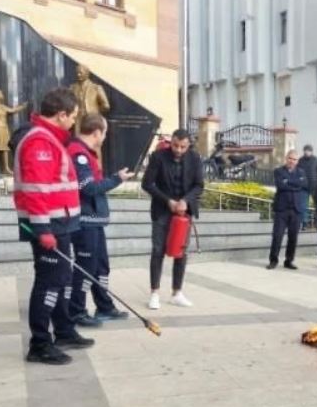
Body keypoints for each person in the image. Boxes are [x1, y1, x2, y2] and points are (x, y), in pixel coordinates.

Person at [15, 87, 92, 365]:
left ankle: (63, 330)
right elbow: (36, 190)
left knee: (60, 278)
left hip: (60, 222)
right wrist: (43, 230)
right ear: (61, 115)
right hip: (50, 225)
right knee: (51, 280)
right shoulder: (40, 142)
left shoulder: (50, 139)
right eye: (72, 116)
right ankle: (39, 343)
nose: (73, 122)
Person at [67, 114, 134, 327]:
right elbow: (87, 188)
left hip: (93, 220)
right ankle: (76, 311)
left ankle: (104, 306)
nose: (104, 137)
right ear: (96, 132)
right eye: (104, 133)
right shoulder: (79, 154)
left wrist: (113, 177)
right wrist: (117, 179)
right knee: (86, 267)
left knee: (100, 266)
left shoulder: (86, 153)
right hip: (84, 221)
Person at [141, 129, 203, 309]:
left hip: (184, 212)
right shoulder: (158, 157)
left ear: (188, 145)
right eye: (175, 145)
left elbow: (199, 185)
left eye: (183, 147)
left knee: (181, 252)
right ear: (171, 142)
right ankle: (154, 293)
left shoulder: (195, 158)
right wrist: (167, 201)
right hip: (162, 209)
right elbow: (147, 184)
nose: (178, 150)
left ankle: (177, 292)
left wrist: (185, 201)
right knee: (158, 250)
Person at [267, 149, 308, 270]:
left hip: (296, 210)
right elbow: (281, 185)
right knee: (277, 236)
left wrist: (288, 182)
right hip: (282, 209)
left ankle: (289, 261)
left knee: (293, 237)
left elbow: (304, 185)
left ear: (297, 161)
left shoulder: (302, 172)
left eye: (294, 159)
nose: (292, 161)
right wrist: (296, 184)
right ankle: (273, 260)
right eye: (290, 158)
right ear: (286, 158)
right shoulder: (278, 171)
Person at [0, 88, 26, 175]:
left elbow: (12, 110)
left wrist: (22, 107)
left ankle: (6, 167)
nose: (1, 95)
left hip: (4, 128)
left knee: (5, 149)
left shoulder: (3, 107)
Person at [296, 144, 317, 228]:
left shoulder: (316, 160)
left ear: (311, 151)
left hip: (315, 187)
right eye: (305, 150)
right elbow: (297, 172)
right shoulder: (300, 160)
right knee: (303, 205)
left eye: (308, 150)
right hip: (303, 187)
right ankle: (304, 222)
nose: (306, 152)